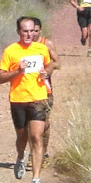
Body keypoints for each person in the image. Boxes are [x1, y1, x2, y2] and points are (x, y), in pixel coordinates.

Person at [0, 16, 53, 183]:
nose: (29, 34)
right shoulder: (11, 51)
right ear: (19, 32)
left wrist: (46, 73)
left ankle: (36, 180)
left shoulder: (42, 49)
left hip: (39, 98)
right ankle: (21, 156)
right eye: (25, 31)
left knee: (36, 137)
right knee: (22, 138)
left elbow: (50, 65)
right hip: (18, 99)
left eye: (31, 31)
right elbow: (0, 78)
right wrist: (17, 71)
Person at [26, 18, 60, 169]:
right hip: (27, 91)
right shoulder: (22, 47)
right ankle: (32, 154)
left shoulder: (47, 44)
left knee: (44, 123)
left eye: (35, 30)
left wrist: (47, 69)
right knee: (29, 124)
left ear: (40, 30)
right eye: (30, 30)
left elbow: (58, 63)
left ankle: (44, 153)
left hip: (45, 90)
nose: (32, 33)